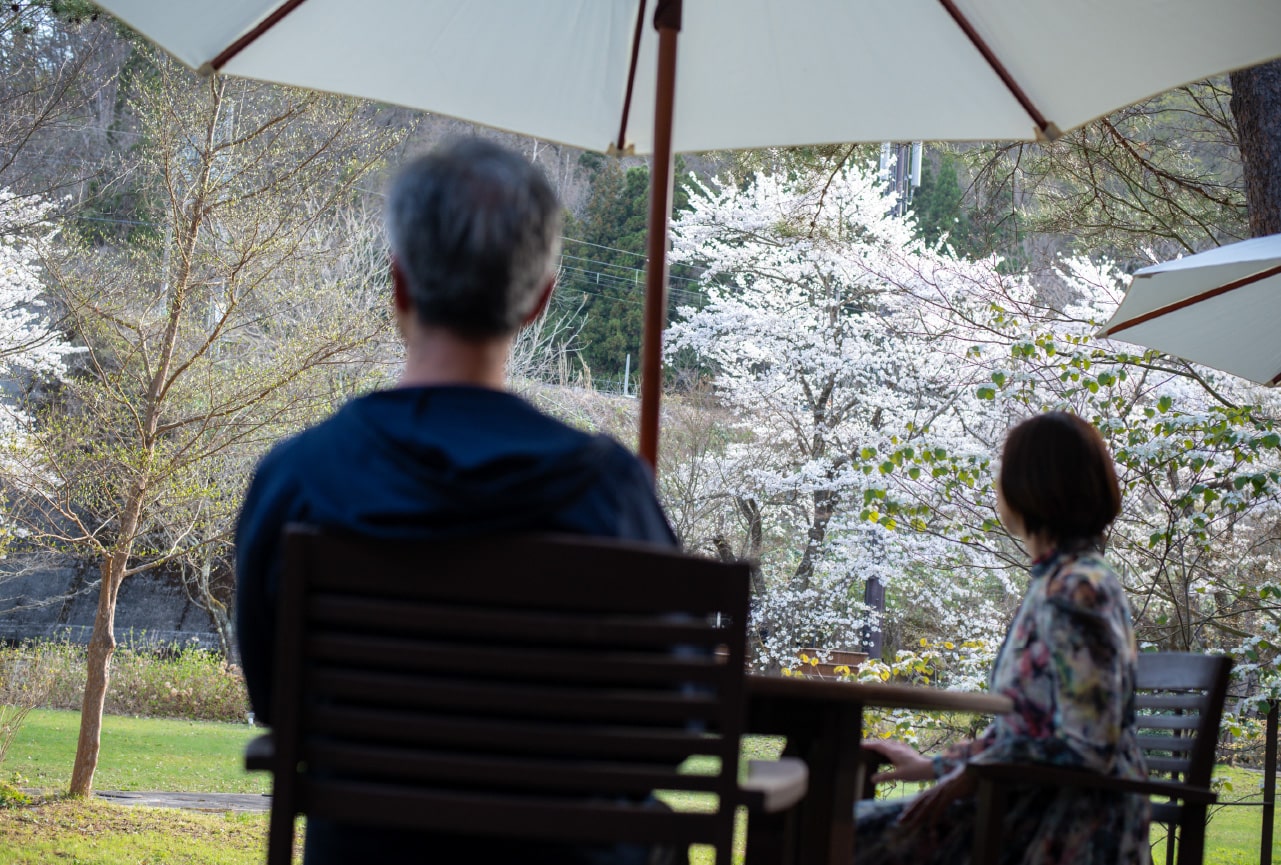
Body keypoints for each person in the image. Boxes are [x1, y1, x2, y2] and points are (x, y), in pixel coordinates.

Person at [235, 138, 677, 865]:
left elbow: (276, 699)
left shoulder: (297, 479)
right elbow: (663, 735)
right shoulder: (613, 493)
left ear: (399, 284)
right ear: (540, 298)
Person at [858, 411, 1150, 865]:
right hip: (1024, 803)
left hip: (1063, 823)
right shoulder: (1060, 582)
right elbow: (1034, 729)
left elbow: (1089, 742)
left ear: (1026, 487)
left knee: (832, 833)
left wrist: (972, 774)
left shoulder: (1078, 589)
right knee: (832, 826)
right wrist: (936, 765)